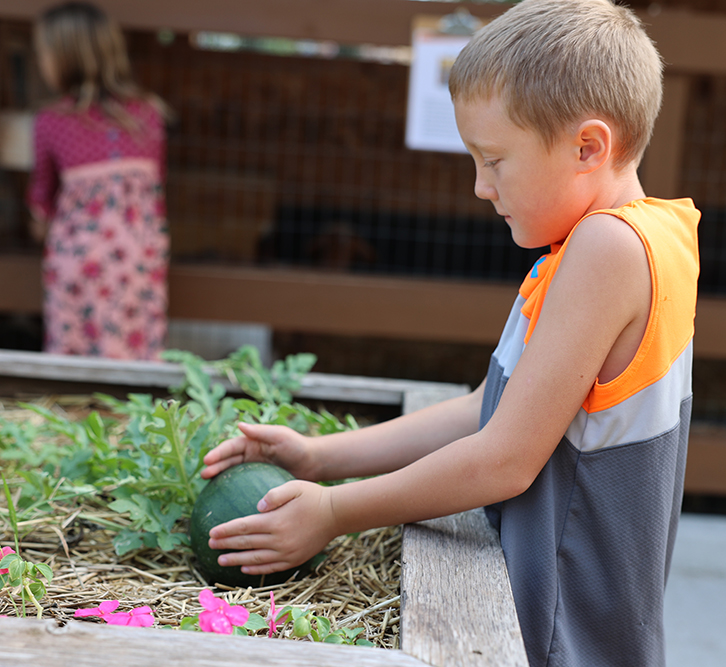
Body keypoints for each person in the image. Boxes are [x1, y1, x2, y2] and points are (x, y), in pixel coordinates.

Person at [201, 1, 699, 664]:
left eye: (494, 160)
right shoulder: (633, 237)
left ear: (588, 147)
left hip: (556, 635)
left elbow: (505, 459)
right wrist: (321, 456)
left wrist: (333, 511)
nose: (479, 186)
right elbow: (484, 410)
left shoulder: (606, 248)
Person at [27, 1, 169, 360]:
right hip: (139, 253)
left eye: (43, 52)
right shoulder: (150, 114)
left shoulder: (52, 120)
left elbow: (42, 194)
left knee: (74, 346)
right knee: (134, 343)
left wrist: (38, 220)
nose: (40, 60)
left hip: (80, 253)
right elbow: (155, 189)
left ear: (64, 57)